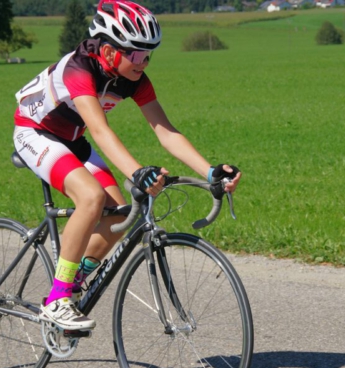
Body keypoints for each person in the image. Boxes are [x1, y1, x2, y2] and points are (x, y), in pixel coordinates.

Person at [13, 0, 241, 331]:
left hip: (73, 141)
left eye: (149, 54)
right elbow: (100, 131)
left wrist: (210, 172)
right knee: (90, 198)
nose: (143, 62)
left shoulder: (134, 78)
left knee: (119, 216)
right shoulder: (79, 68)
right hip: (35, 133)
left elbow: (166, 132)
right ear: (108, 51)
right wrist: (137, 172)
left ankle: (73, 279)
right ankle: (57, 300)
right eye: (136, 54)